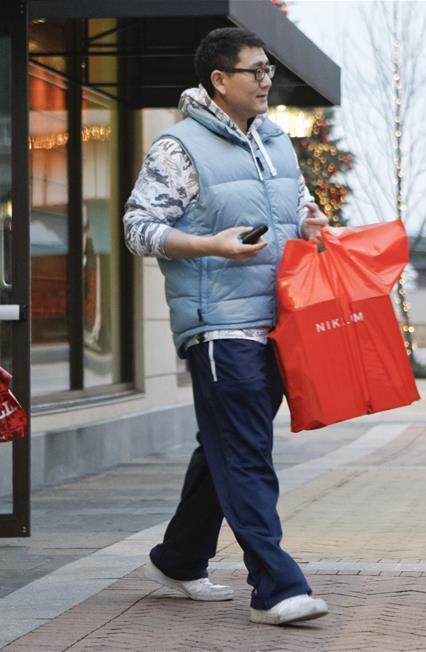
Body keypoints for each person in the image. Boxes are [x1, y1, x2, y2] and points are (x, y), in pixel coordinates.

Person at [123, 28, 328, 625]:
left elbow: (298, 210)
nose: (267, 80)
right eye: (255, 71)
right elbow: (139, 226)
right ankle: (276, 584)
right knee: (245, 451)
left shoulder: (276, 143)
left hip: (276, 324)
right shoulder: (178, 148)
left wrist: (312, 224)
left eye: (269, 70)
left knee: (225, 450)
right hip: (219, 327)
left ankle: (179, 558)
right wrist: (207, 243)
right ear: (219, 79)